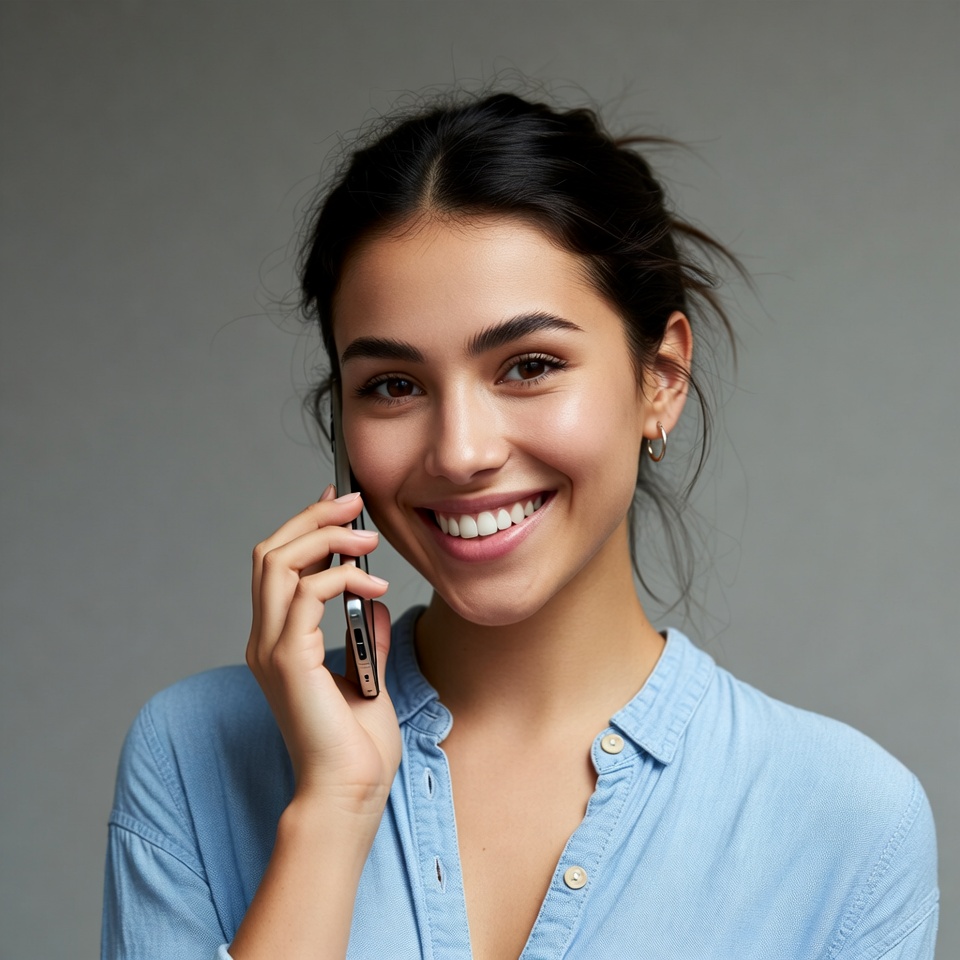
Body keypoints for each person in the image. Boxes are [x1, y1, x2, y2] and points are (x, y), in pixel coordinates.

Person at [102, 91, 939, 960]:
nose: (460, 452)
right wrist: (334, 809)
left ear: (661, 377)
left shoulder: (848, 823)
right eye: (393, 384)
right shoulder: (194, 754)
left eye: (529, 366)